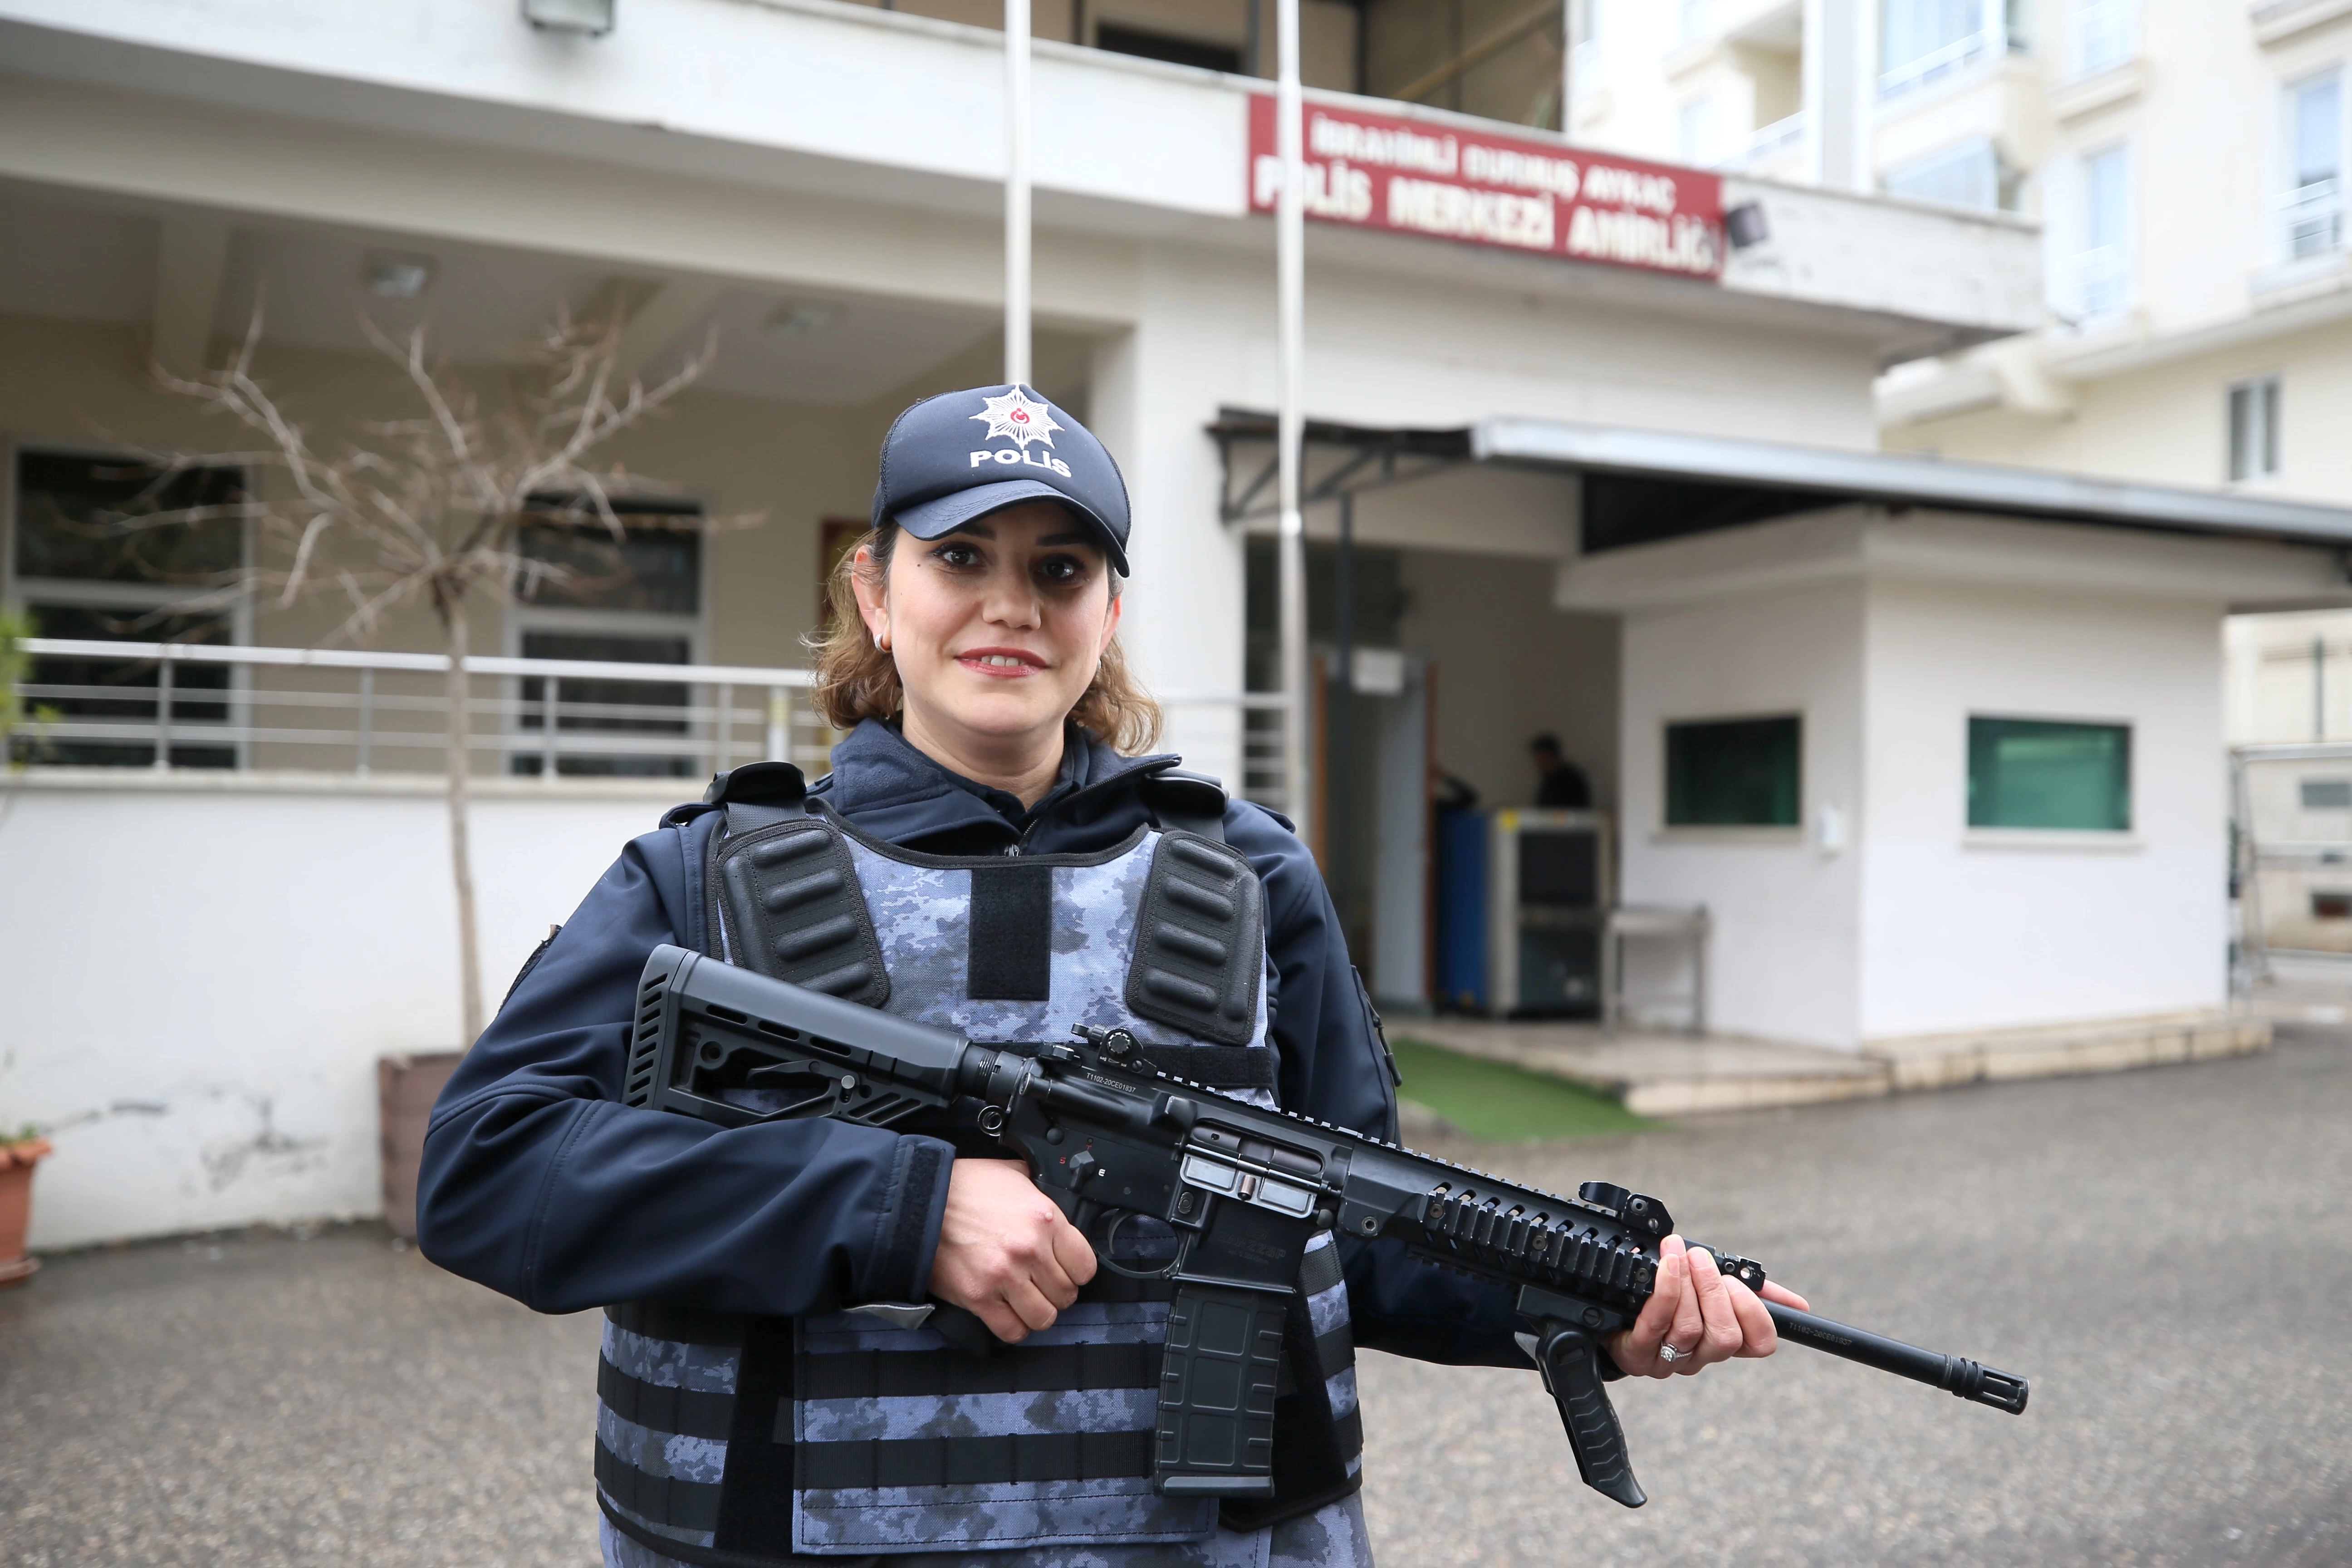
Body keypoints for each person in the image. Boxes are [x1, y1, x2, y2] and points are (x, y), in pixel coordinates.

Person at [416, 385, 1805, 1568]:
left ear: (1109, 609)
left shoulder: (1250, 875)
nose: (1010, 605)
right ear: (875, 592)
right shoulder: (702, 874)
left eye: (1061, 569)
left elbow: (1354, 1226)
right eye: (961, 556)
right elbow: (487, 1166)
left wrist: (1592, 1304)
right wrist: (902, 1209)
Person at [1530, 732, 1592, 810]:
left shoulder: (1572, 780)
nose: (1537, 762)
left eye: (1540, 758)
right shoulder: (1548, 779)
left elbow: (1577, 810)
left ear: (1549, 755)